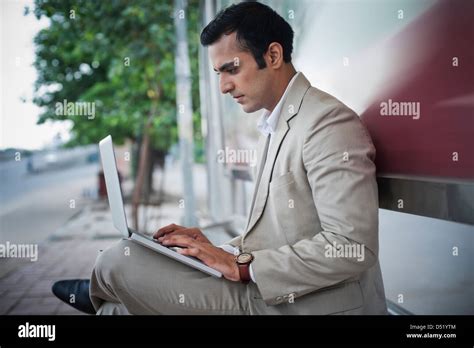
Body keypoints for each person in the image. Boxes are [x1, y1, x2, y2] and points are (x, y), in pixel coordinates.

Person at [53, 1, 387, 315]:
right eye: (218, 74)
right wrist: (218, 251)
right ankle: (107, 296)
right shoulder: (280, 122)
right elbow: (280, 237)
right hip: (271, 291)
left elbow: (351, 246)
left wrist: (240, 266)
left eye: (231, 69)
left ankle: (103, 287)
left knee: (119, 261)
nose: (224, 87)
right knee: (122, 296)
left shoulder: (327, 123)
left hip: (306, 303)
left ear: (272, 55)